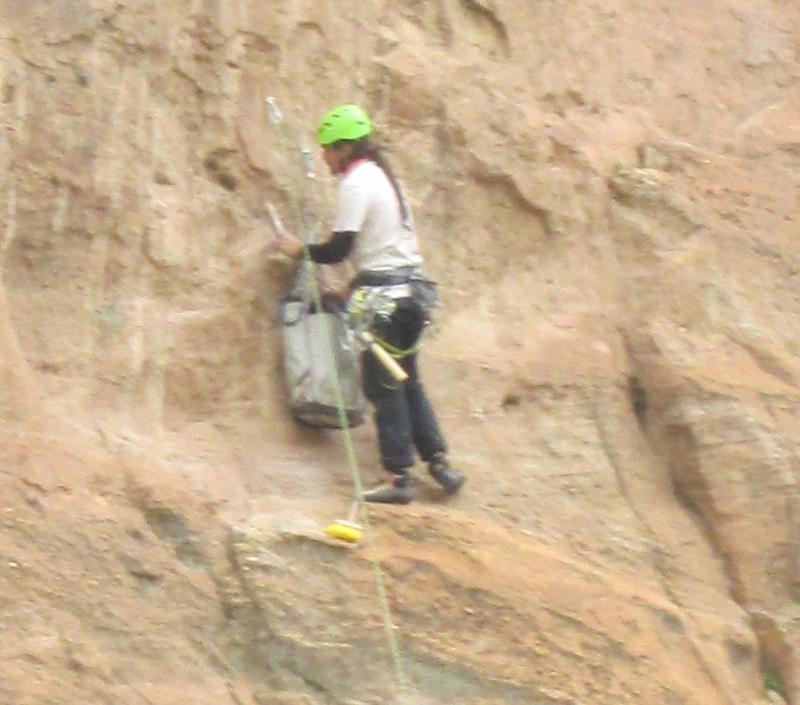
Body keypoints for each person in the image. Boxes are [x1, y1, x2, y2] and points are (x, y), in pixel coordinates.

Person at [272, 103, 465, 504]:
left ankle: (399, 476)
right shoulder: (384, 178)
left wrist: (297, 251)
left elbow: (338, 249)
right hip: (412, 296)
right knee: (408, 379)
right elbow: (386, 248)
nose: (324, 157)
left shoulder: (357, 182)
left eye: (327, 149)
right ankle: (439, 462)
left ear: (344, 147)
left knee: (383, 386)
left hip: (384, 302)